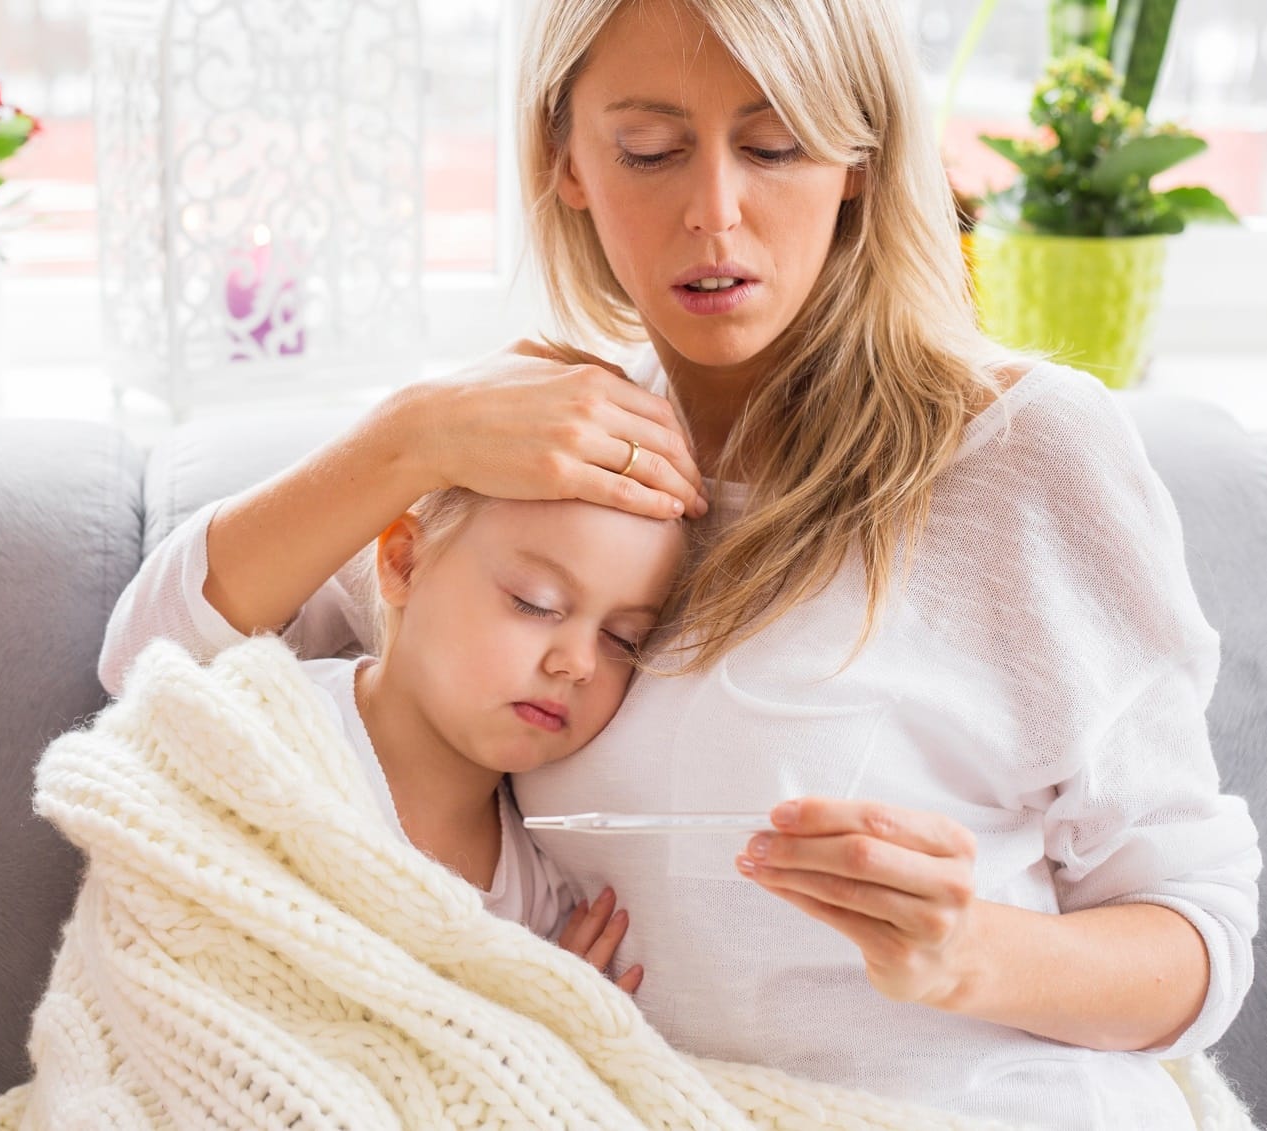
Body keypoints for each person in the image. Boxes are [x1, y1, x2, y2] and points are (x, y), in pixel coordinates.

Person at [98, 0, 1261, 1125]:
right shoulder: (541, 455)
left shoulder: (1021, 451)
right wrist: (410, 439)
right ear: (565, 160)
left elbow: (1194, 944)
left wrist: (972, 956)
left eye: (773, 145)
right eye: (648, 150)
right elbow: (157, 665)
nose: (714, 212)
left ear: (855, 157)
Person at [299, 483, 688, 995]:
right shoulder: (281, 722)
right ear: (404, 564)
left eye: (623, 639)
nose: (579, 663)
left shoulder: (541, 899)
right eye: (535, 604)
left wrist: (533, 1021)